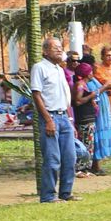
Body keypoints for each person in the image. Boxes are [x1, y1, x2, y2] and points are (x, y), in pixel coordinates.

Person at [28, 36, 77, 204]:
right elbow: (36, 94)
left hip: (64, 117)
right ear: (45, 51)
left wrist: (70, 119)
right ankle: (48, 195)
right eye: (55, 47)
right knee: (52, 159)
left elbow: (64, 96)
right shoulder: (40, 68)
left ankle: (66, 192)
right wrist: (48, 120)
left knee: (70, 157)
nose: (59, 50)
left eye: (60, 47)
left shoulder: (59, 69)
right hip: (51, 116)